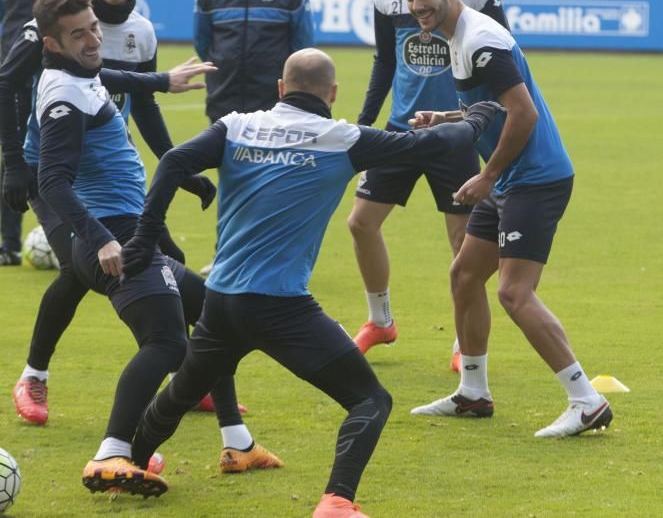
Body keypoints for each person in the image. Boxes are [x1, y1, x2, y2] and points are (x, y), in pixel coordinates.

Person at [119, 49, 502, 516]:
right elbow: (432, 146)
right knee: (369, 399)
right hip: (281, 309)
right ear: (333, 93)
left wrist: (144, 237)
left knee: (178, 395)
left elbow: (176, 160)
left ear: (281, 89)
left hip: (220, 301)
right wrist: (479, 117)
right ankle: (337, 501)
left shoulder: (236, 126)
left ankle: (130, 465)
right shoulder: (341, 138)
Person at [31, 0, 278, 498]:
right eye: (79, 34)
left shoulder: (81, 73)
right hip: (114, 235)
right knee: (168, 343)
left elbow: (108, 76)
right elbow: (52, 180)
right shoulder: (62, 97)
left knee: (215, 316)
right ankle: (112, 454)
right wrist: (100, 238)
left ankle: (237, 442)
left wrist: (165, 80)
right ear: (53, 45)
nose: (94, 38)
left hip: (128, 230)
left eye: (94, 26)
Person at [2, 0, 224, 426]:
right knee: (80, 268)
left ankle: (184, 378)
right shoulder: (52, 25)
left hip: (109, 170)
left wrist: (176, 163)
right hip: (53, 172)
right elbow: (5, 83)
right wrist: (14, 163)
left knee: (173, 259)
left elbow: (137, 102)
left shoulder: (140, 32)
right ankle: (33, 375)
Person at [400, 0, 614, 438]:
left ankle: (587, 400)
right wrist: (447, 118)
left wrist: (489, 176)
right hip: (514, 178)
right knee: (465, 273)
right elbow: (490, 105)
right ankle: (473, 393)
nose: (418, 6)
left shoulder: (480, 42)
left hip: (534, 178)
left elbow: (524, 114)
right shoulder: (456, 35)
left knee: (515, 293)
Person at [348, 0, 508, 370]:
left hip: (456, 135)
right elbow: (385, 60)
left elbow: (503, 58)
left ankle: (465, 343)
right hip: (401, 131)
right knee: (360, 222)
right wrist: (364, 124)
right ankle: (380, 320)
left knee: (463, 244)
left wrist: (486, 124)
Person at [194, 0, 314, 275]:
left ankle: (279, 256)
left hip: (275, 104)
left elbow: (303, 47)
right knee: (231, 181)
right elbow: (203, 43)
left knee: (275, 180)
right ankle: (226, 256)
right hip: (225, 102)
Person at [0, 0, 85, 265]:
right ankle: (9, 245)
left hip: (56, 77)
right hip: (10, 73)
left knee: (59, 155)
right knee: (10, 156)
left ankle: (72, 238)